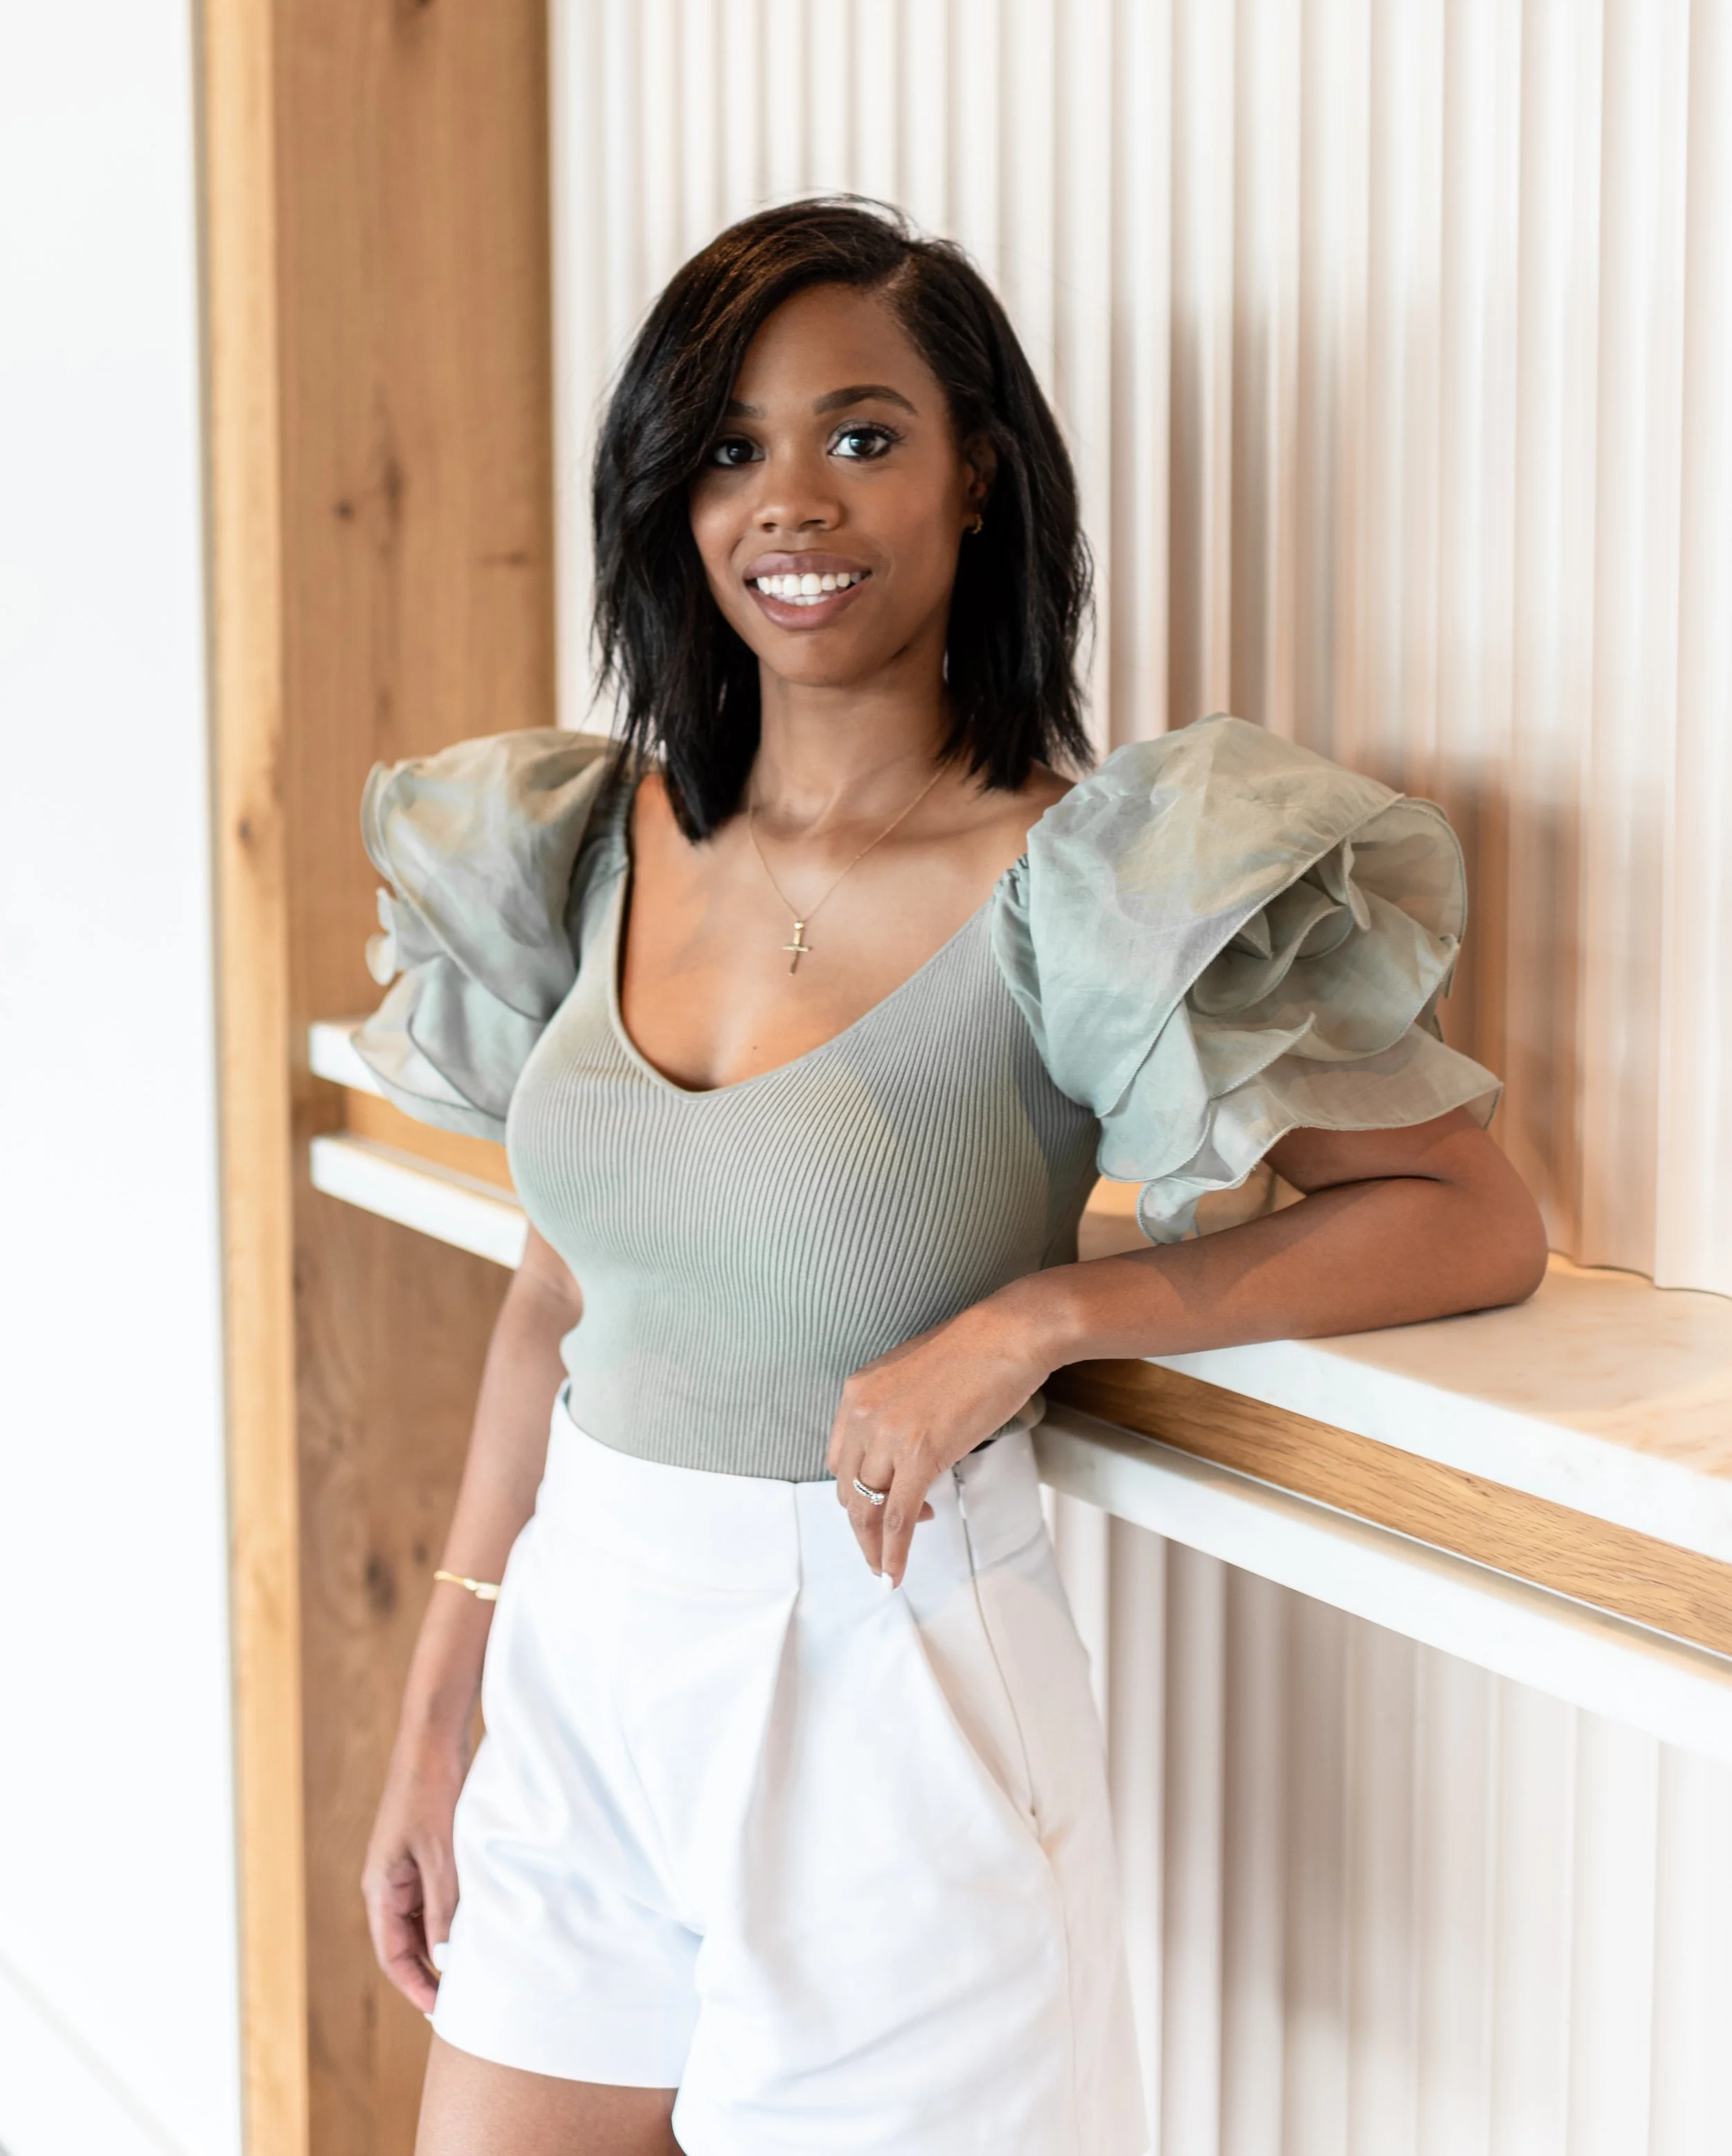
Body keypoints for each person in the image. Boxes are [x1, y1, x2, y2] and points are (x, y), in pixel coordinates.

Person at [358, 198, 1547, 2156]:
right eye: (727, 450)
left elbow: (1464, 1215)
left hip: (881, 1684)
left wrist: (1035, 1319)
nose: (788, 502)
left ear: (975, 478)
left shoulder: (1084, 880)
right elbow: (558, 1295)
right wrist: (439, 1705)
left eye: (860, 434)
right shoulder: (590, 841)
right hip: (581, 1661)